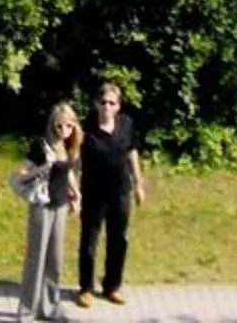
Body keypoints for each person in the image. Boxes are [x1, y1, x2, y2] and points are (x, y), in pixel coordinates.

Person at [73, 79, 145, 305]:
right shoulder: (86, 128)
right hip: (93, 192)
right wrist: (73, 190)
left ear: (118, 106)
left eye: (112, 103)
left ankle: (112, 286)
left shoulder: (126, 125)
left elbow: (132, 153)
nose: (107, 107)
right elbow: (75, 159)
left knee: (118, 240)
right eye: (103, 102)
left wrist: (138, 184)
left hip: (120, 191)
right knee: (89, 241)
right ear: (96, 104)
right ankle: (86, 288)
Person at [16, 100, 80, 321]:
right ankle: (27, 310)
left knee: (55, 259)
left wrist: (76, 195)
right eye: (59, 125)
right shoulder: (41, 146)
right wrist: (42, 167)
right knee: (36, 258)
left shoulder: (69, 146)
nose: (64, 130)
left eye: (69, 125)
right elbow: (22, 173)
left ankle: (50, 307)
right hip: (42, 205)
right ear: (52, 125)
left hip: (60, 205)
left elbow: (68, 172)